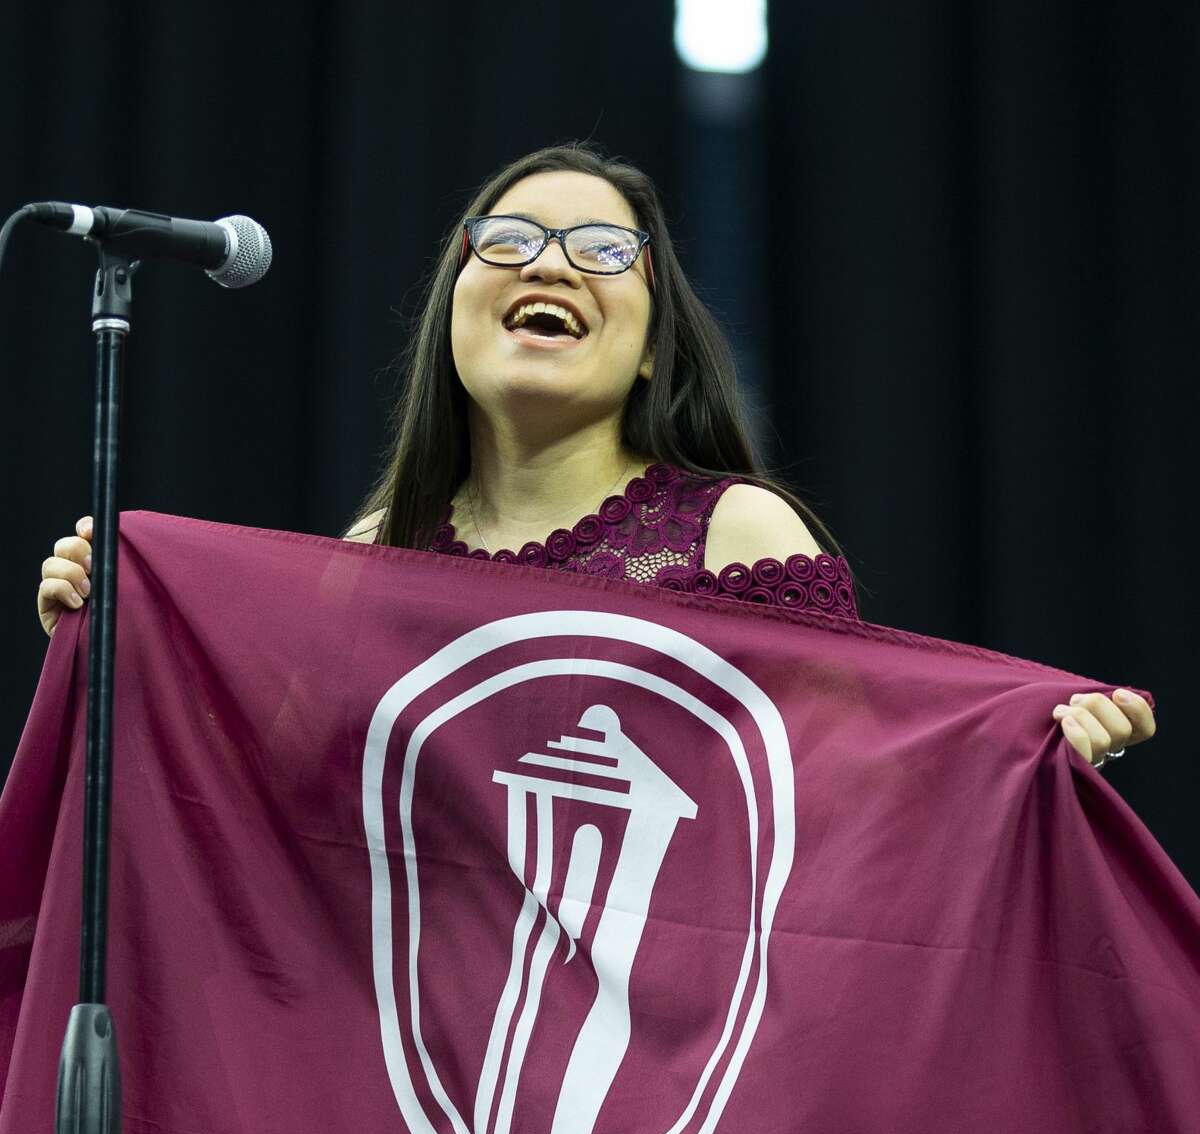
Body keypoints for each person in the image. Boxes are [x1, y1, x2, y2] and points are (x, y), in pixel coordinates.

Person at [35, 142, 1155, 768]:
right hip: (408, 1076)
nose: (550, 264)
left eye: (602, 249)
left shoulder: (739, 532)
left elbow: (863, 793)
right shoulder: (374, 555)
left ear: (650, 350)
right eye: (509, 241)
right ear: (453, 315)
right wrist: (129, 641)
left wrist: (1029, 759)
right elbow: (271, 810)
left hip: (667, 1085)